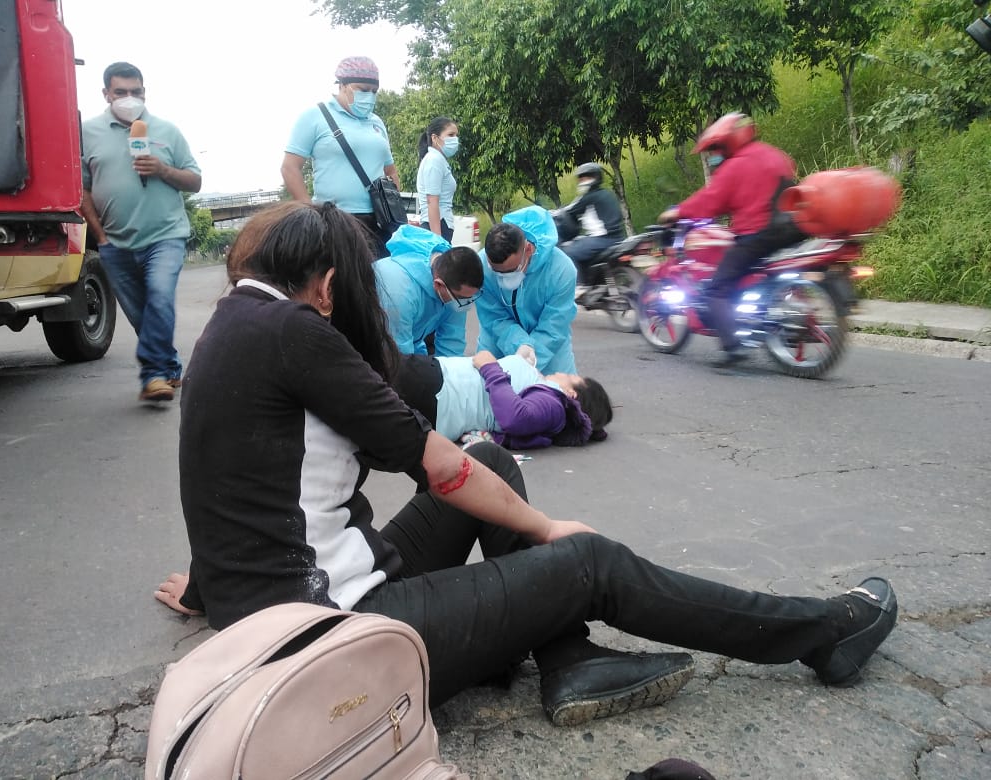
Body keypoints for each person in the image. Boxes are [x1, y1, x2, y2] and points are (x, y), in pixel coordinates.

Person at [155, 200, 898, 729]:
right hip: (334, 640)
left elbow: (232, 472)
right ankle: (821, 634)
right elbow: (441, 469)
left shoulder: (232, 326)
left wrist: (219, 579)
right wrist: (548, 531)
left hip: (288, 608)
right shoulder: (298, 332)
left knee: (494, 461)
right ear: (326, 286)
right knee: (585, 559)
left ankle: (567, 657)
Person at [80, 61, 202, 403]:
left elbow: (195, 180)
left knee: (160, 297)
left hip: (166, 235)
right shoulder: (87, 132)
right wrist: (99, 235)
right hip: (115, 242)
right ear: (106, 94)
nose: (129, 98)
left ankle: (154, 376)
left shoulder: (166, 130)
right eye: (121, 92)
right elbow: (82, 188)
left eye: (136, 92)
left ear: (145, 92)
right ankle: (169, 365)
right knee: (141, 315)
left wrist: (162, 168)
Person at [658, 113, 806, 367]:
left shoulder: (735, 166)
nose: (714, 154)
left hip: (759, 234)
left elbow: (711, 200)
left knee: (717, 289)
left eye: (716, 148)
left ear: (728, 143)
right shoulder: (774, 155)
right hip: (793, 230)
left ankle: (733, 347)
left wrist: (678, 211)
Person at [281, 56, 400, 259]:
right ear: (343, 85)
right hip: (336, 220)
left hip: (381, 220)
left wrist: (394, 207)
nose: (369, 96)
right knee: (343, 284)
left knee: (380, 282)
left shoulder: (376, 122)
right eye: (363, 90)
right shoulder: (315, 116)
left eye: (374, 91)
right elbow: (290, 168)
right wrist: (312, 213)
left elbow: (390, 170)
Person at [392, 350, 612, 447]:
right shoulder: (549, 404)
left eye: (571, 376)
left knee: (367, 366)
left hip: (441, 389)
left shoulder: (555, 404)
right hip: (441, 393)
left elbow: (516, 418)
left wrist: (491, 368)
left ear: (572, 393)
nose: (564, 372)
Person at [476, 205, 578, 375]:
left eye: (510, 271)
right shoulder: (482, 266)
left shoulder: (561, 270)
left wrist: (530, 356)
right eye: (497, 272)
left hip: (549, 349)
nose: (503, 278)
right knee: (489, 394)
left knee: (558, 397)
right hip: (497, 342)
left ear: (528, 249)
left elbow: (554, 324)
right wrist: (520, 343)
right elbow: (493, 317)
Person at [374, 225, 483, 357]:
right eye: (461, 298)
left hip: (410, 342)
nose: (467, 304)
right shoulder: (400, 294)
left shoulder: (455, 288)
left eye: (471, 298)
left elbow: (452, 344)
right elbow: (399, 359)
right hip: (368, 345)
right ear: (438, 285)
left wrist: (448, 374)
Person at [557, 163, 627, 290]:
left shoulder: (588, 197)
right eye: (581, 178)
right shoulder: (608, 193)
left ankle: (579, 286)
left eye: (586, 177)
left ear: (595, 177)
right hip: (618, 237)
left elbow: (568, 210)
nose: (582, 180)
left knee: (566, 252)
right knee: (580, 242)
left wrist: (551, 213)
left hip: (601, 239)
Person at [416, 116, 460, 241]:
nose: (455, 139)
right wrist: (437, 239)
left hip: (442, 223)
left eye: (456, 135)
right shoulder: (433, 161)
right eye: (451, 135)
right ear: (435, 138)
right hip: (437, 225)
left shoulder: (438, 160)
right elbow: (432, 202)